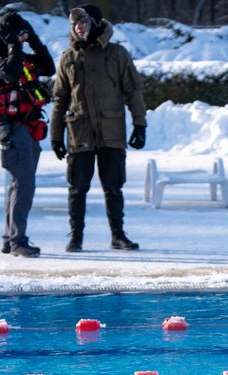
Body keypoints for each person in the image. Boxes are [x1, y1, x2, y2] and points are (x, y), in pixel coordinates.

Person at [50, 4, 146, 253]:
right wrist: (56, 135)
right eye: (74, 25)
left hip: (110, 131)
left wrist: (139, 124)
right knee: (77, 188)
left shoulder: (116, 54)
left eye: (82, 22)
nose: (78, 28)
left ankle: (118, 235)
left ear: (94, 22)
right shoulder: (68, 58)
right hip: (79, 132)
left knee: (113, 186)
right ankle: (76, 237)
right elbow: (60, 98)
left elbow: (133, 91)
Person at [0, 11, 55, 258]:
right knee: (23, 184)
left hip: (30, 126)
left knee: (19, 184)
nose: (22, 39)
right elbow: (10, 73)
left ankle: (9, 238)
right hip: (11, 127)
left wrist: (34, 41)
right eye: (19, 34)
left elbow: (48, 67)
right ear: (7, 35)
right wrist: (12, 45)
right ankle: (17, 240)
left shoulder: (19, 54)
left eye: (24, 34)